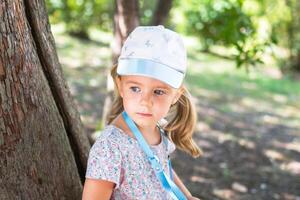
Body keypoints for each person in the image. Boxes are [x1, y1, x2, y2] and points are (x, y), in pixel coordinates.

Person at [82, 25, 202, 200]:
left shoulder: (156, 128)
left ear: (176, 96)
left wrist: (188, 196)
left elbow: (161, 168)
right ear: (120, 86)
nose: (145, 101)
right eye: (135, 88)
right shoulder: (110, 147)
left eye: (159, 92)